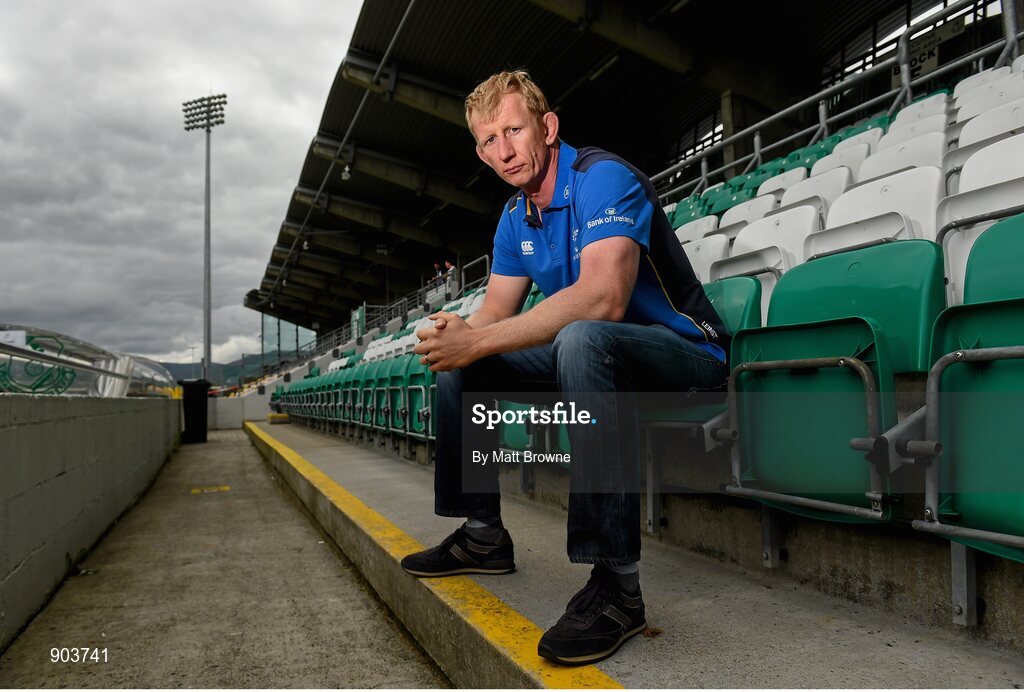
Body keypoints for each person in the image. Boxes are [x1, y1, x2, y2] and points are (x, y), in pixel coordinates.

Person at [403, 70, 730, 665]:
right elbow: (494, 315)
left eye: (512, 130)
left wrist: (477, 340)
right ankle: (482, 536)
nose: (501, 151)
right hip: (596, 355)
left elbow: (604, 297)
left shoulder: (604, 177)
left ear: (547, 127)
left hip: (685, 354)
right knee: (460, 364)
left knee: (581, 336)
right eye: (486, 141)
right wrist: (456, 336)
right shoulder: (513, 216)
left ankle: (618, 589)